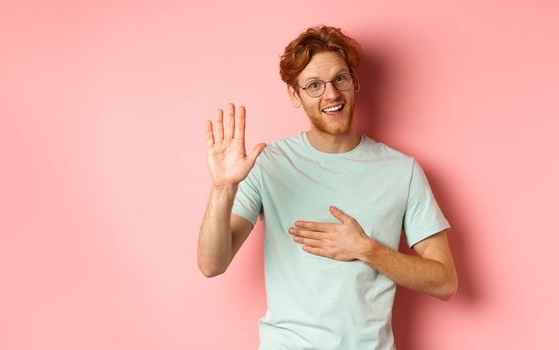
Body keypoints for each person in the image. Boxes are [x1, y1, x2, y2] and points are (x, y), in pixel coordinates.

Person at [196, 25, 458, 349]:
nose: (331, 95)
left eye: (339, 79)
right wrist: (223, 188)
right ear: (295, 94)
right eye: (314, 86)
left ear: (355, 82)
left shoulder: (401, 171)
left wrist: (366, 249)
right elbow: (212, 264)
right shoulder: (268, 164)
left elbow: (444, 281)